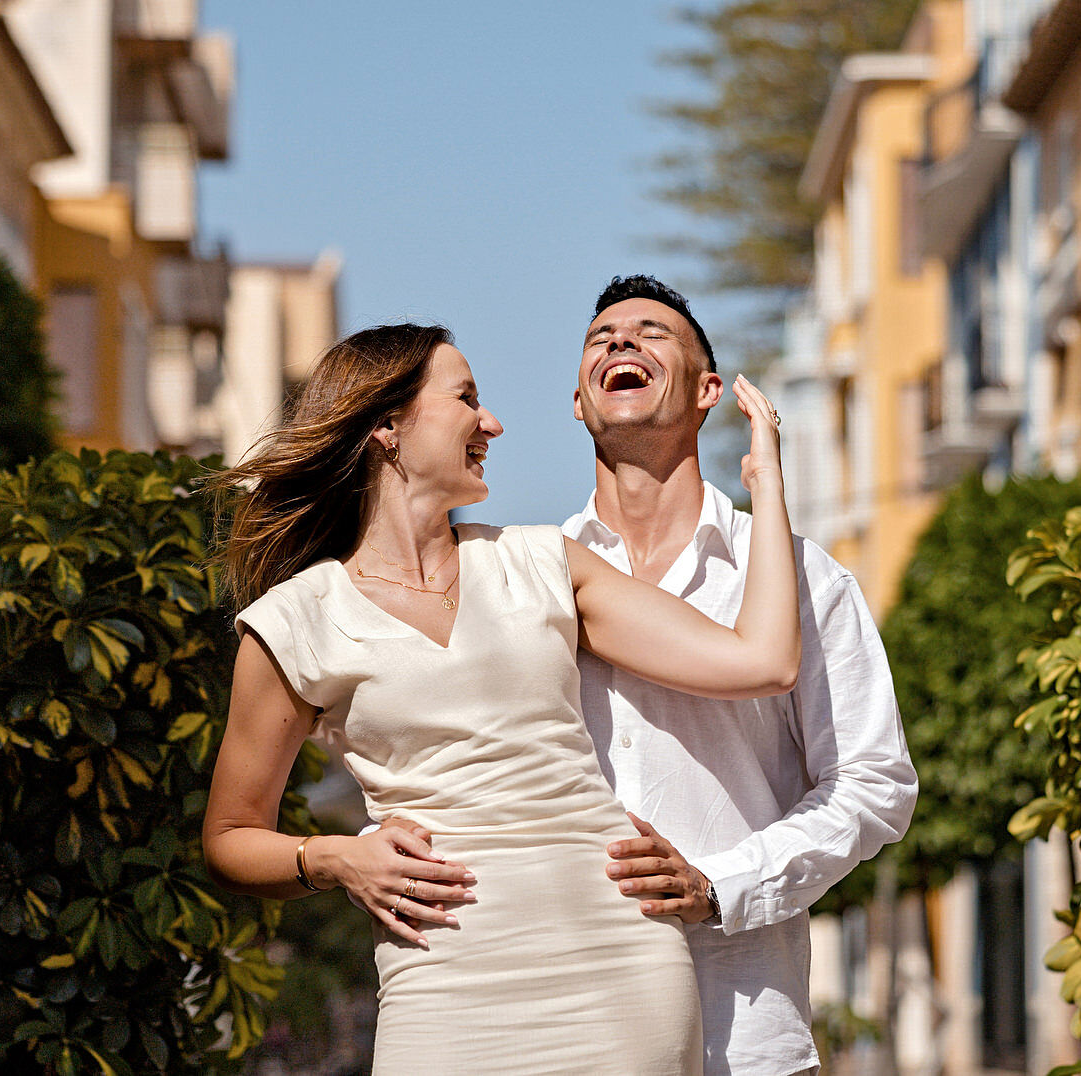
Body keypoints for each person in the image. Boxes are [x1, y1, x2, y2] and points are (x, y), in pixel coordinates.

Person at [199, 322, 799, 1076]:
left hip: (619, 967)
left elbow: (763, 660)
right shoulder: (294, 621)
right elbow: (230, 837)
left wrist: (767, 485)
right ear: (386, 426)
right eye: (466, 399)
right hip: (441, 980)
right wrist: (334, 858)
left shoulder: (542, 562)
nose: (493, 423)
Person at [393, 276, 917, 1075]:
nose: (620, 341)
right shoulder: (521, 582)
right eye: (600, 337)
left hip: (743, 1037)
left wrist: (722, 886)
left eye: (651, 332)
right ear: (579, 401)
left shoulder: (801, 579)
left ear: (709, 390)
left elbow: (873, 784)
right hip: (563, 1034)